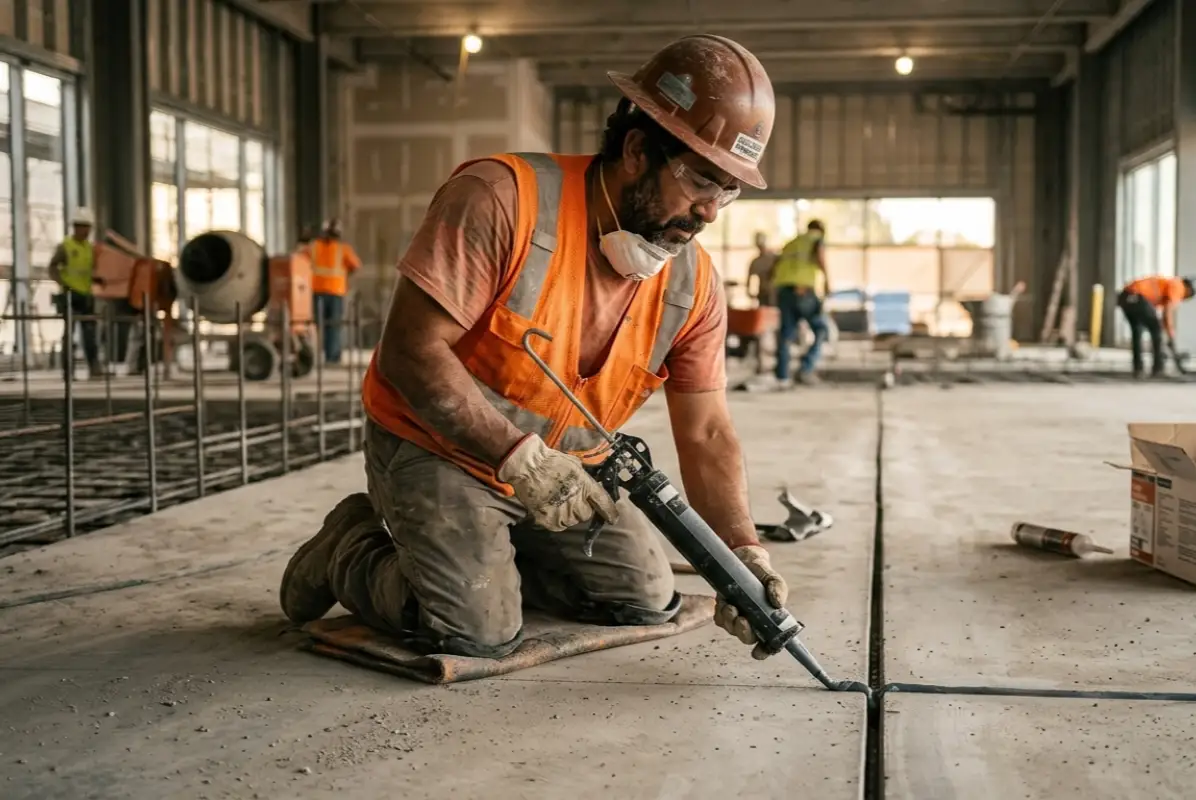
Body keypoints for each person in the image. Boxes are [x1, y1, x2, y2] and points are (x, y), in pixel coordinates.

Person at [279, 34, 792, 662]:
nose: (711, 211)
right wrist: (517, 460)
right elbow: (410, 351)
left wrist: (741, 555)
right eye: (699, 180)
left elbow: (708, 432)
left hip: (573, 471)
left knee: (645, 598)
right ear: (637, 149)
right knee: (474, 629)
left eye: (729, 190)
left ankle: (495, 552)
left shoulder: (693, 284)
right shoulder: (503, 199)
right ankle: (349, 548)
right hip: (441, 449)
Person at [771, 220, 830, 386]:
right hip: (803, 290)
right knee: (821, 330)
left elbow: (776, 266)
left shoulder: (792, 243)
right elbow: (820, 257)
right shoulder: (816, 239)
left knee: (786, 334)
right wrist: (827, 283)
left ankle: (782, 377)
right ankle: (806, 368)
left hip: (784, 290)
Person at [48, 208, 102, 379]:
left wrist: (97, 281)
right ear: (76, 227)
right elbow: (52, 267)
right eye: (84, 227)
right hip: (70, 295)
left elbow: (90, 270)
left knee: (90, 335)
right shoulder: (65, 246)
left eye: (89, 228)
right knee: (69, 336)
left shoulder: (90, 248)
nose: (87, 231)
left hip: (86, 295)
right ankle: (67, 371)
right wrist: (62, 283)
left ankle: (94, 369)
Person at [306, 217, 361, 364]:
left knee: (320, 325)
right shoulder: (343, 249)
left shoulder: (313, 246)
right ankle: (332, 356)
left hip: (317, 291)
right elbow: (355, 265)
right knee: (334, 325)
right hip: (335, 292)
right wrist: (345, 275)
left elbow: (300, 260)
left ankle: (322, 355)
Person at [1117, 275, 1195, 377]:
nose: (1183, 299)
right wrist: (1170, 335)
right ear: (1189, 289)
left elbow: (1164, 314)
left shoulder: (1169, 284)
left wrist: (1167, 330)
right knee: (1156, 331)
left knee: (1137, 331)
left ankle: (1138, 369)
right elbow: (1168, 311)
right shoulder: (1178, 286)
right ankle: (1158, 369)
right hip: (1138, 296)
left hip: (1125, 297)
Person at [746, 232, 777, 307]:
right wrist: (749, 292)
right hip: (764, 294)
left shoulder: (776, 259)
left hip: (776, 293)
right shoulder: (756, 262)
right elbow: (749, 279)